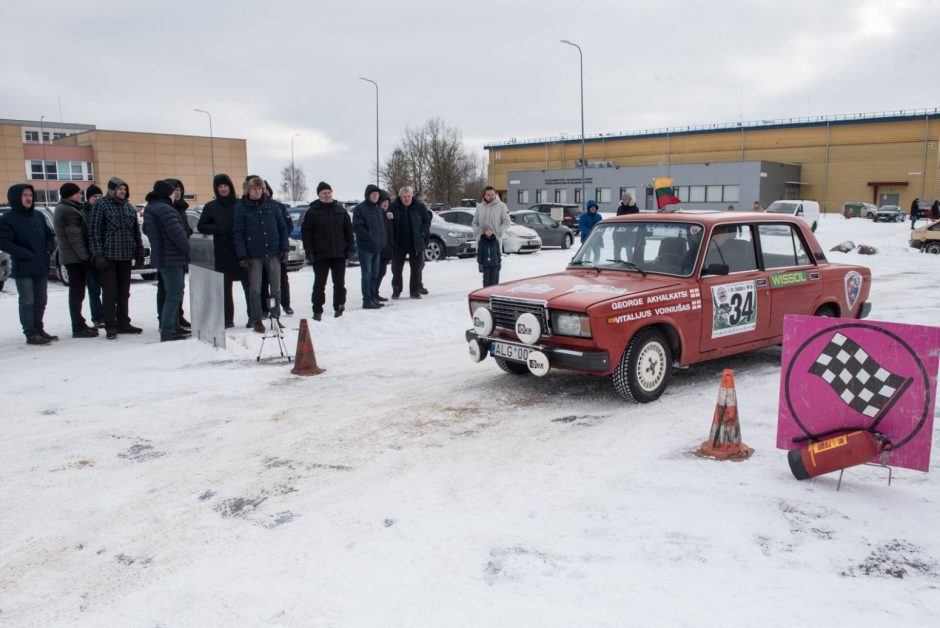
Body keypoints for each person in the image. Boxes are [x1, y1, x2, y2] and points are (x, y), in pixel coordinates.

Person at [0, 184, 56, 345]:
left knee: (41, 300)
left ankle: (39, 328)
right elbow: (5, 243)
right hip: (24, 267)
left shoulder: (38, 216)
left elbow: (49, 234)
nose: (28, 198)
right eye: (25, 195)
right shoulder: (7, 219)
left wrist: (48, 249)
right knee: (28, 301)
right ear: (16, 197)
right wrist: (27, 254)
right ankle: (31, 333)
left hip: (41, 265)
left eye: (30, 195)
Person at [89, 177, 144, 339]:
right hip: (108, 257)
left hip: (125, 256)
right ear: (112, 190)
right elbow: (94, 232)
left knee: (124, 292)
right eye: (120, 189)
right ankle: (111, 325)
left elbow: (135, 233)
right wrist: (98, 254)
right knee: (110, 293)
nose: (123, 192)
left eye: (124, 190)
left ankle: (123, 323)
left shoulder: (128, 207)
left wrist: (139, 252)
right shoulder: (101, 205)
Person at [234, 176, 289, 333]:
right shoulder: (242, 207)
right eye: (254, 188)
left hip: (273, 253)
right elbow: (238, 233)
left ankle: (275, 317)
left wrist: (284, 248)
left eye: (259, 188)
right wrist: (242, 255)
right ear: (248, 190)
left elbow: (282, 227)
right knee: (255, 289)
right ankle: (256, 319)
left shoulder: (272, 205)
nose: (257, 191)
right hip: (254, 255)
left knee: (276, 289)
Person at [198, 174, 250, 329]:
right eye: (220, 187)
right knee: (225, 289)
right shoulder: (211, 207)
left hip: (242, 252)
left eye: (225, 186)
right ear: (216, 189)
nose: (223, 189)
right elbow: (202, 226)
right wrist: (219, 229)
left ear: (230, 187)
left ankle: (253, 317)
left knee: (249, 286)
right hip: (222, 253)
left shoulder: (241, 204)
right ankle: (228, 319)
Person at [142, 180, 191, 342]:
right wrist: (189, 251)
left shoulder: (151, 207)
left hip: (162, 257)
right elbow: (177, 235)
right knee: (174, 294)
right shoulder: (165, 209)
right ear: (167, 193)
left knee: (170, 293)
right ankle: (169, 329)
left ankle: (172, 326)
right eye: (172, 191)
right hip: (172, 258)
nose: (174, 194)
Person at [301, 181, 354, 320]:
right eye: (324, 193)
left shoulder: (340, 210)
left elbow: (348, 231)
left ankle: (340, 306)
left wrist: (350, 249)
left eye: (329, 192)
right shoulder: (312, 212)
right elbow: (306, 234)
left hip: (339, 254)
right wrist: (309, 252)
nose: (327, 195)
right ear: (318, 194)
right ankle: (317, 310)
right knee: (319, 284)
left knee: (339, 283)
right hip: (320, 255)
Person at [53, 182, 97, 338]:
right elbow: (75, 237)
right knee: (77, 293)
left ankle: (79, 323)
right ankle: (78, 326)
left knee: (78, 292)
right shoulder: (68, 211)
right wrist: (85, 257)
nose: (81, 195)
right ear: (71, 194)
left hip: (73, 257)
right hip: (74, 258)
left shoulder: (68, 208)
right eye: (79, 193)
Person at [157, 179, 193, 331]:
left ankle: (177, 317)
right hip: (169, 255)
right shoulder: (166, 208)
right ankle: (166, 322)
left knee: (178, 290)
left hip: (177, 255)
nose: (178, 193)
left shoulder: (181, 208)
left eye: (180, 190)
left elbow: (185, 229)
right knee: (168, 290)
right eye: (175, 190)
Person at [389, 186, 431, 300]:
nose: (407, 199)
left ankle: (414, 291)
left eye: (408, 196)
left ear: (412, 196)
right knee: (396, 269)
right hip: (399, 243)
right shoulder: (393, 206)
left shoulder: (419, 206)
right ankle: (396, 290)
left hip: (415, 242)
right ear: (400, 197)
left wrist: (421, 232)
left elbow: (427, 220)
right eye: (404, 197)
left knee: (416, 269)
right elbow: (388, 223)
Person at [352, 184, 387, 309]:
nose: (375, 196)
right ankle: (367, 300)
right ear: (367, 195)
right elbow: (357, 227)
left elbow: (383, 227)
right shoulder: (360, 209)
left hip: (377, 248)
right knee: (366, 274)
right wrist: (369, 238)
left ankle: (373, 297)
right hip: (365, 248)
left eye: (377, 194)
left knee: (375, 274)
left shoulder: (379, 210)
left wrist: (382, 240)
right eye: (373, 194)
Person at [265, 180, 294, 315]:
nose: (264, 192)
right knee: (264, 282)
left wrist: (281, 239)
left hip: (279, 249)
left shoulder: (279, 207)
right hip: (263, 251)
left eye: (266, 190)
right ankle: (266, 308)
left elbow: (288, 226)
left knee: (282, 280)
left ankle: (286, 304)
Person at [375, 189, 394, 301]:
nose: (385, 204)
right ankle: (373, 293)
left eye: (387, 201)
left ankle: (375, 292)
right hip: (378, 249)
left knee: (382, 272)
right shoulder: (378, 214)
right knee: (376, 272)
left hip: (386, 248)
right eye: (383, 201)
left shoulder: (387, 214)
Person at [414, 191, 431, 295]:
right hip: (418, 242)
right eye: (424, 200)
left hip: (423, 242)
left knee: (421, 264)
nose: (426, 202)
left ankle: (418, 284)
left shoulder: (425, 211)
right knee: (419, 264)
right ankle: (417, 285)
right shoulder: (417, 211)